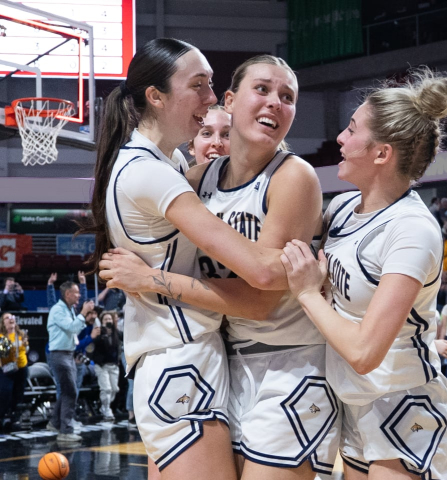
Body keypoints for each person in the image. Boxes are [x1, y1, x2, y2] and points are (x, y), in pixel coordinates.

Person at [96, 52, 338, 479]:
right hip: (225, 361)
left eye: (287, 96)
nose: (275, 102)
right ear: (229, 100)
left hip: (289, 363)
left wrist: (151, 279)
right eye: (262, 89)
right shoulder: (194, 179)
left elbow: (260, 299)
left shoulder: (293, 176)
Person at [279, 68, 447, 478]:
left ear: (382, 153)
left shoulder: (411, 229)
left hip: (402, 400)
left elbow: (364, 353)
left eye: (351, 129)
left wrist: (309, 294)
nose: (340, 139)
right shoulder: (343, 209)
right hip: (355, 402)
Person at [47, 282, 94, 442]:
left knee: (68, 391)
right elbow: (72, 328)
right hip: (59, 355)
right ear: (67, 294)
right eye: (76, 293)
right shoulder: (58, 310)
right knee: (71, 391)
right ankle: (65, 431)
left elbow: (75, 329)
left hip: (68, 354)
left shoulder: (69, 309)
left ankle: (55, 422)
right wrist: (83, 312)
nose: (79, 295)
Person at [91, 311, 122, 422]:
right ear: (102, 322)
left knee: (114, 389)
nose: (108, 321)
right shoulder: (99, 332)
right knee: (106, 389)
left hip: (113, 366)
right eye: (106, 319)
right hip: (102, 366)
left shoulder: (116, 332)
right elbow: (95, 343)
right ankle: (106, 408)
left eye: (110, 319)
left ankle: (105, 405)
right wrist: (103, 332)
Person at [0, 312, 28, 430]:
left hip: (21, 367)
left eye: (12, 317)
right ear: (3, 322)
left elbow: (25, 349)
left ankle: (15, 418)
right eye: (7, 318)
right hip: (7, 369)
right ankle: (3, 417)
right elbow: (4, 354)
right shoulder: (1, 337)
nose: (10, 319)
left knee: (19, 393)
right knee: (6, 392)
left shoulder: (21, 334)